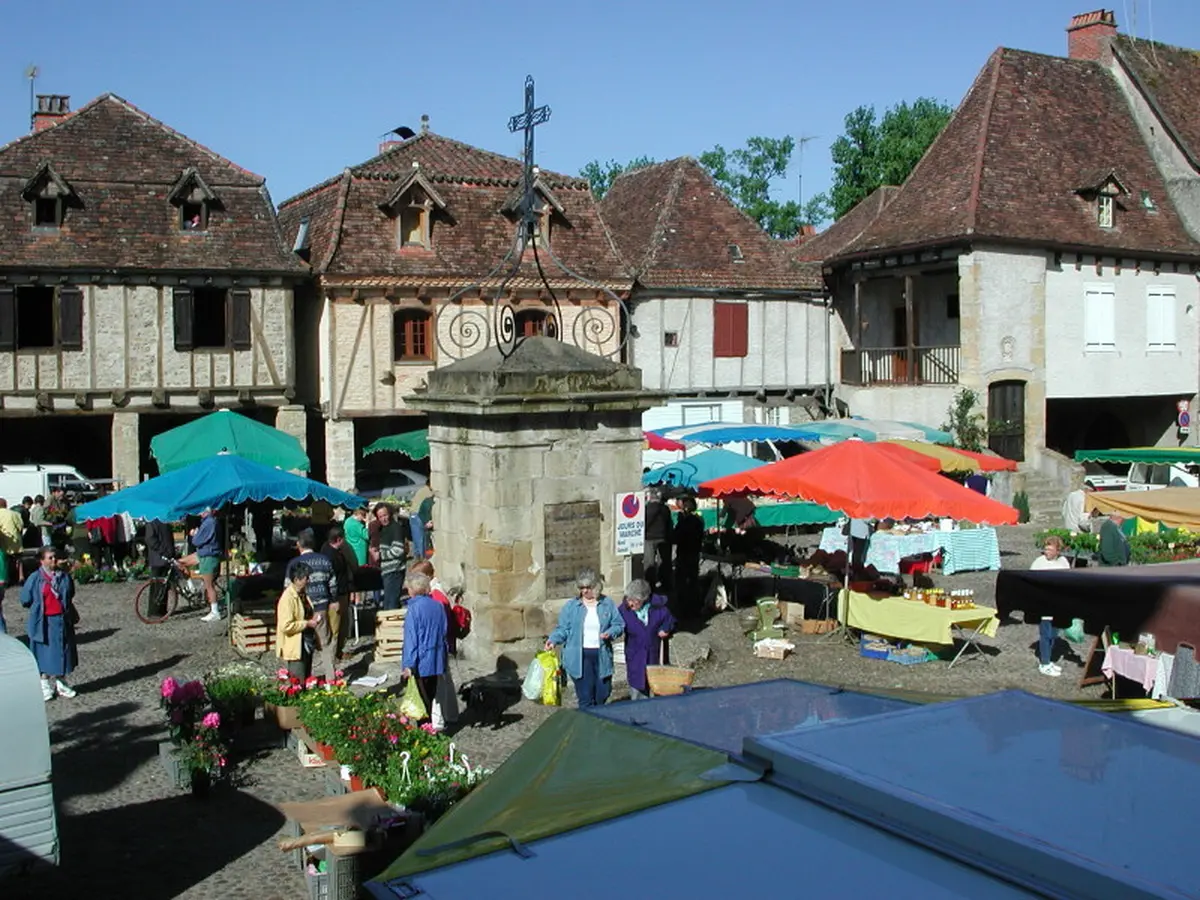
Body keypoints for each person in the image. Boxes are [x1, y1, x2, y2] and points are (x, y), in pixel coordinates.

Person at [546, 568, 624, 708]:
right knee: (585, 697)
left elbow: (618, 624)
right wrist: (553, 640)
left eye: (588, 587)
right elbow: (563, 629)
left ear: (596, 586)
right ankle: (587, 724)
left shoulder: (607, 604)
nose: (585, 591)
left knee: (603, 694)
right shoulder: (572, 606)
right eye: (582, 588)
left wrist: (610, 633)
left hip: (602, 654)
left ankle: (599, 715)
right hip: (579, 656)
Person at [21, 548, 79, 701]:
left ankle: (61, 683)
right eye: (49, 558)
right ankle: (44, 684)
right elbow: (25, 599)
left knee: (63, 651)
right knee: (44, 653)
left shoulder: (64, 577)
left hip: (61, 619)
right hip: (44, 621)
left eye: (55, 557)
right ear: (42, 560)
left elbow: (70, 593)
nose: (53, 560)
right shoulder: (35, 578)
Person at [410, 559, 460, 731]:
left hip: (435, 649)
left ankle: (439, 721)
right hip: (438, 647)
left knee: (439, 687)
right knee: (444, 683)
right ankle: (450, 715)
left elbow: (441, 625)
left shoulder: (435, 597)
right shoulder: (434, 595)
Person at [285, 529, 338, 678]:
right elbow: (333, 584)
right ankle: (330, 678)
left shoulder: (294, 564)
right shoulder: (324, 560)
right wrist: (333, 601)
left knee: (301, 646)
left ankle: (301, 679)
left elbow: (287, 588)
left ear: (298, 545)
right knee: (325, 645)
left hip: (301, 611)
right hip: (321, 608)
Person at [401, 569, 447, 723]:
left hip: (421, 661)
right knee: (430, 697)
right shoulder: (438, 606)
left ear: (412, 590)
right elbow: (443, 631)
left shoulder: (414, 609)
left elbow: (411, 639)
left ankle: (425, 735)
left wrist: (408, 665)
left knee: (421, 702)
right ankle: (428, 732)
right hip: (436, 658)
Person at [618, 579, 676, 700]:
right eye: (628, 599)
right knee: (638, 692)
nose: (630, 603)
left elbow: (670, 620)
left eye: (634, 601)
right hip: (636, 658)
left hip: (654, 657)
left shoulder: (659, 608)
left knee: (658, 691)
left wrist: (665, 629)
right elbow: (615, 626)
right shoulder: (624, 611)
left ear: (644, 599)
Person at [1030, 535, 1070, 677]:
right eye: (1045, 549)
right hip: (1044, 605)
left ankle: (1050, 660)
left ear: (1057, 551)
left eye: (1050, 549)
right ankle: (1044, 663)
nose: (1047, 552)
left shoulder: (1064, 562)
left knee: (1054, 634)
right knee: (1045, 634)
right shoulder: (1039, 563)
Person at [275, 563, 320, 680]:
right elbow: (285, 626)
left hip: (306, 642)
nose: (309, 581)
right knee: (298, 680)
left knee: (307, 677)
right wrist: (307, 623)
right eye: (306, 578)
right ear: (296, 580)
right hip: (296, 646)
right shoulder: (287, 598)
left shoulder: (303, 594)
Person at [321, 525, 358, 660]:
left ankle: (338, 651)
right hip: (337, 595)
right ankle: (333, 654)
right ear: (339, 539)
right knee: (336, 626)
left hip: (342, 592)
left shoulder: (332, 550)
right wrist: (334, 599)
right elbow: (331, 579)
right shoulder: (330, 555)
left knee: (342, 624)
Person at [179, 508, 223, 621]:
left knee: (209, 585)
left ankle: (215, 612)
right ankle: (191, 586)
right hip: (203, 553)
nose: (199, 512)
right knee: (179, 562)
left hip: (208, 555)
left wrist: (195, 534)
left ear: (206, 511)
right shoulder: (208, 522)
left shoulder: (209, 523)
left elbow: (197, 541)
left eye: (201, 510)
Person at [370, 503, 410, 610]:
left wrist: (380, 555)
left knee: (391, 604)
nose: (383, 519)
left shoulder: (395, 528)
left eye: (385, 515)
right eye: (380, 517)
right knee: (388, 602)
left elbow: (398, 550)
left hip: (395, 570)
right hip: (387, 570)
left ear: (390, 514)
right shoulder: (383, 529)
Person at [673, 496, 704, 616]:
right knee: (693, 580)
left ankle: (684, 608)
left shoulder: (686, 521)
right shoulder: (699, 520)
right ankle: (695, 607)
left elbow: (678, 536)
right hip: (694, 552)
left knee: (682, 581)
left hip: (684, 553)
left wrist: (680, 523)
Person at [144, 517, 178, 618]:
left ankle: (162, 609)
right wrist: (164, 550)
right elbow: (150, 539)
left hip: (166, 557)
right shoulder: (152, 521)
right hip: (158, 558)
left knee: (165, 585)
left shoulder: (164, 521)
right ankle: (154, 611)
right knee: (156, 586)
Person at [642, 489, 674, 593]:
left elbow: (643, 524)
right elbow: (670, 525)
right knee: (663, 562)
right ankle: (665, 583)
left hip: (649, 538)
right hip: (663, 538)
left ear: (649, 497)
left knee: (649, 563)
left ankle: (650, 585)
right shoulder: (665, 509)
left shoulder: (646, 509)